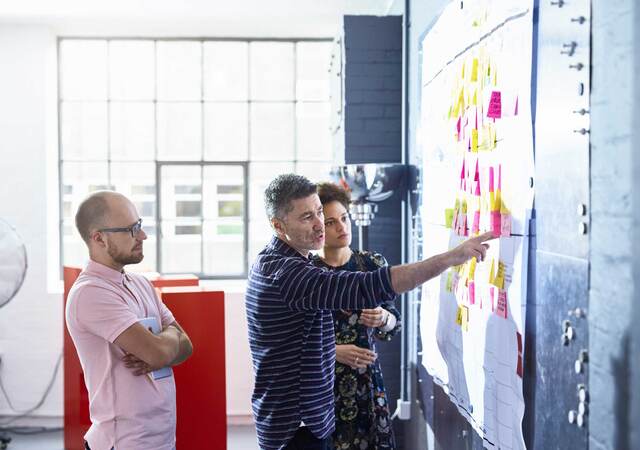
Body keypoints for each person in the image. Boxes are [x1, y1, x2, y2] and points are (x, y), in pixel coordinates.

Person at [246, 174, 493, 450]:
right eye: (307, 218)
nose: (320, 226)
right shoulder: (289, 274)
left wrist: (384, 319)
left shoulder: (276, 260)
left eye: (319, 212)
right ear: (278, 226)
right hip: (298, 426)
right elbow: (374, 284)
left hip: (301, 418)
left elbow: (297, 342)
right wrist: (450, 258)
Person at [66, 191, 193, 450]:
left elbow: (187, 346)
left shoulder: (141, 284)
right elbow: (159, 353)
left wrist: (161, 345)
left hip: (160, 438)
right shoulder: (91, 292)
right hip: (123, 442)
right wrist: (166, 342)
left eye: (140, 226)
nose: (143, 236)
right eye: (131, 230)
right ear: (99, 238)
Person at [312, 182, 399, 450]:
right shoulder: (308, 273)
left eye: (344, 218)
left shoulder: (372, 264)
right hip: (323, 385)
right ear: (317, 227)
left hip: (368, 383)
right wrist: (334, 351)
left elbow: (393, 326)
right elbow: (295, 340)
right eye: (330, 222)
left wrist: (383, 317)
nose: (342, 227)